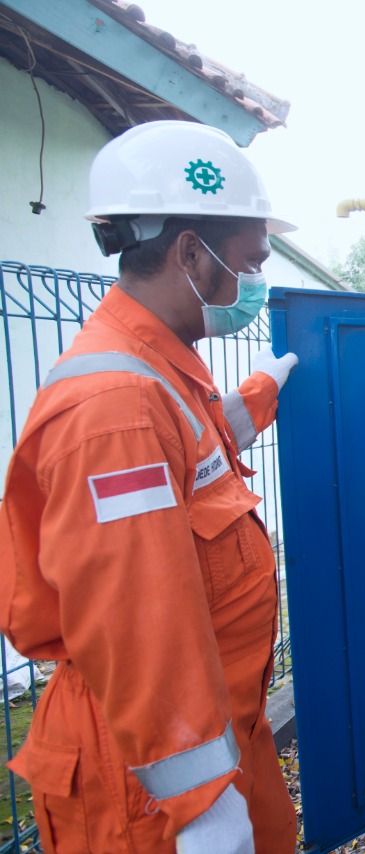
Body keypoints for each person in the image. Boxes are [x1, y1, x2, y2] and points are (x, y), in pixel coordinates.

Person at [0, 120, 301, 853]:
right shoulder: (117, 411)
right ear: (190, 252)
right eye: (250, 262)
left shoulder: (159, 375)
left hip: (216, 739)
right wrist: (201, 807)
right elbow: (136, 621)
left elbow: (197, 454)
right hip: (147, 780)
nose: (254, 282)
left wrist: (265, 391)